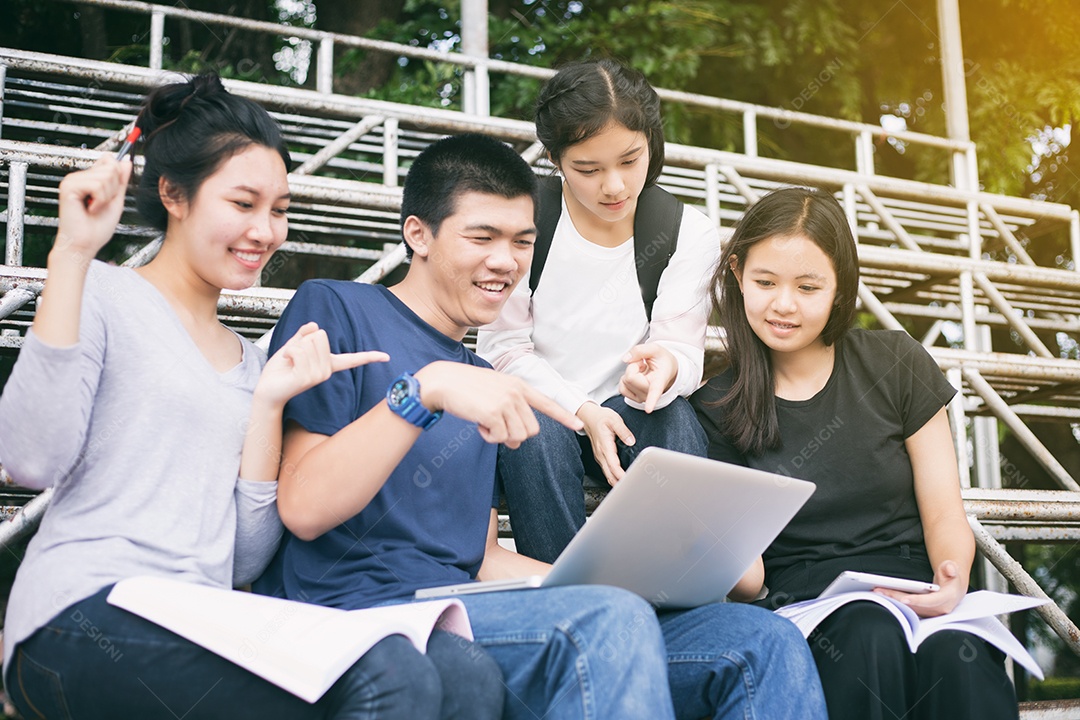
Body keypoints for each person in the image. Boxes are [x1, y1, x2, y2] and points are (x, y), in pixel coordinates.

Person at [254, 132, 829, 720]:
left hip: (468, 610)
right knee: (606, 621)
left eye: (522, 242)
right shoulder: (338, 309)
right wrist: (422, 392)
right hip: (354, 609)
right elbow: (303, 505)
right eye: (482, 237)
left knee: (760, 639)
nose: (505, 261)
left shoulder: (482, 376)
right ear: (417, 234)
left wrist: (613, 581)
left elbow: (477, 559)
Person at [0, 74, 503, 720]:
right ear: (173, 195)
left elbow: (242, 556)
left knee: (463, 680)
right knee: (389, 674)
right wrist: (70, 253)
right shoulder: (102, 293)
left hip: (203, 618)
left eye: (281, 209)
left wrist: (267, 405)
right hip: (80, 616)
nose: (265, 230)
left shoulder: (254, 361)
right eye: (243, 204)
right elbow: (28, 458)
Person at [690, 186, 1019, 720]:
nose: (784, 304)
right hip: (809, 608)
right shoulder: (715, 406)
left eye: (808, 286)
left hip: (917, 592)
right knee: (869, 633)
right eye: (765, 282)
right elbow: (747, 577)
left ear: (841, 288)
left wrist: (952, 578)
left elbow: (943, 511)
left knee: (957, 662)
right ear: (736, 272)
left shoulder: (896, 363)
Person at [476, 58, 717, 563]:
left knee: (670, 416)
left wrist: (664, 370)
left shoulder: (685, 231)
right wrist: (582, 410)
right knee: (535, 432)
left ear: (651, 140)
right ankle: (568, 598)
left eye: (630, 160)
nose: (614, 186)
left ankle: (689, 583)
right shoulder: (526, 220)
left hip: (633, 412)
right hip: (548, 412)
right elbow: (504, 350)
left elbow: (682, 347)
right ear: (555, 159)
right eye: (588, 169)